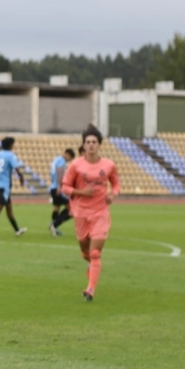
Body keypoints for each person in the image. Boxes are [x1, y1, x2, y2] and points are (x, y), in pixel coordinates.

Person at [61, 125, 120, 302]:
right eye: (88, 142)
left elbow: (116, 184)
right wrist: (81, 193)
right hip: (80, 213)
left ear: (100, 144)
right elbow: (65, 188)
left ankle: (90, 289)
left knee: (95, 253)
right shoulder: (76, 165)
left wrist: (112, 194)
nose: (91, 145)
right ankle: (92, 268)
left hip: (100, 212)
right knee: (86, 252)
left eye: (94, 142)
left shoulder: (109, 165)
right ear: (84, 145)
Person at [0, 137, 27, 239]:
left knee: (9, 209)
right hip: (5, 186)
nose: (14, 146)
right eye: (13, 144)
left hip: (0, 185)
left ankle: (17, 230)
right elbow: (17, 170)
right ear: (10, 145)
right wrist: (21, 178)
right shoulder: (10, 156)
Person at [49, 148, 74, 236]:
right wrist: (60, 186)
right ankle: (54, 225)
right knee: (71, 207)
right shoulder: (61, 161)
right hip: (58, 188)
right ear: (67, 154)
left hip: (53, 187)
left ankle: (54, 227)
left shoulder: (56, 160)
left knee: (56, 207)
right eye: (69, 158)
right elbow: (59, 172)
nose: (68, 160)